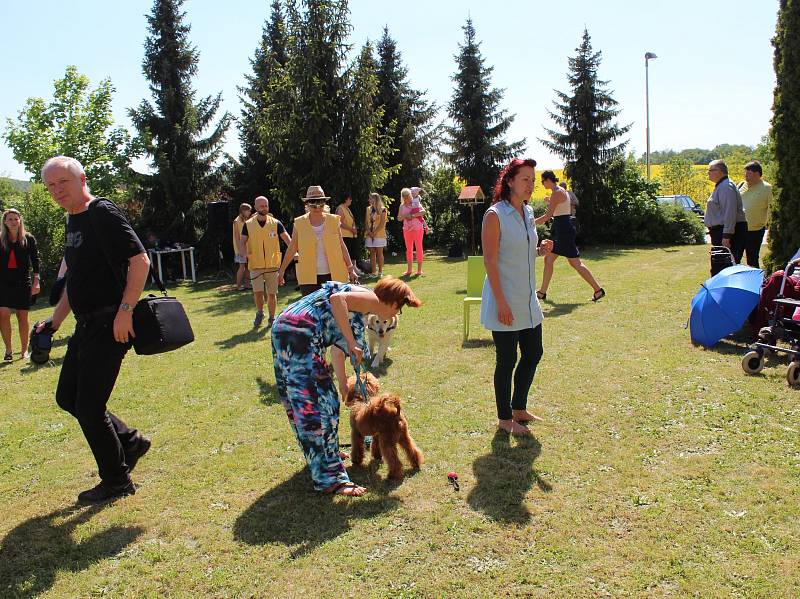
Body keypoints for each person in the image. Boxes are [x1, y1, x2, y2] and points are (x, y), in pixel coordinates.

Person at [35, 156, 151, 503]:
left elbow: (139, 260)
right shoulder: (72, 219)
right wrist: (55, 321)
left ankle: (117, 481)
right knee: (67, 398)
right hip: (86, 324)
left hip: (111, 323)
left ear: (81, 178)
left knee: (88, 404)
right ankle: (130, 442)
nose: (57, 191)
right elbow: (75, 281)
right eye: (50, 186)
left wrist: (125, 312)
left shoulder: (102, 212)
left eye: (62, 183)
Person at [272, 276, 422, 495]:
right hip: (299, 332)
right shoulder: (370, 298)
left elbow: (337, 349)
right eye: (399, 310)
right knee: (316, 405)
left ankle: (325, 456)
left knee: (317, 401)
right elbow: (336, 299)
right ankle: (329, 479)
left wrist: (343, 386)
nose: (396, 315)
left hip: (288, 328)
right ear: (393, 302)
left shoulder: (363, 308)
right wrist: (352, 342)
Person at [481, 158, 553, 436]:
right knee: (507, 359)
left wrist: (540, 250)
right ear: (509, 181)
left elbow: (523, 251)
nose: (530, 185)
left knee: (534, 352)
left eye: (533, 180)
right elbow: (490, 261)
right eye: (525, 179)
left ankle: (518, 408)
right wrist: (501, 302)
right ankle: (503, 418)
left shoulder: (527, 212)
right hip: (505, 300)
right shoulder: (494, 215)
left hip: (527, 300)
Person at [535, 171, 605, 302]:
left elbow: (548, 215)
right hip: (563, 229)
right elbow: (559, 207)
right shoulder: (560, 191)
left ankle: (598, 290)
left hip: (564, 231)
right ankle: (542, 292)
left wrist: (530, 222)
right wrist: (549, 201)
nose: (542, 183)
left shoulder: (557, 192)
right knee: (549, 259)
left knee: (575, 263)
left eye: (542, 181)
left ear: (548, 180)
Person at [277, 185, 358, 296]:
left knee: (336, 310)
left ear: (324, 202)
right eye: (313, 202)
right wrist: (281, 271)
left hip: (334, 273)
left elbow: (341, 245)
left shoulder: (334, 221)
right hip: (308, 276)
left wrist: (351, 268)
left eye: (320, 201)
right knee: (312, 311)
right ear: (307, 203)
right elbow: (292, 248)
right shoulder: (299, 223)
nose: (317, 206)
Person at [240, 196, 291, 328]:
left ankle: (272, 318)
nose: (264, 208)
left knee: (272, 294)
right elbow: (242, 241)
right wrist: (242, 253)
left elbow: (287, 239)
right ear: (255, 207)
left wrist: (294, 251)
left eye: (266, 205)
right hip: (255, 264)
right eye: (261, 206)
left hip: (272, 264)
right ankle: (260, 312)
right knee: (258, 293)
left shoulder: (275, 223)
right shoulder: (248, 224)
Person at [0, 209, 40, 360]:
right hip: (3, 283)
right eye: (10, 219)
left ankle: (24, 351)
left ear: (20, 220)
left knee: (22, 316)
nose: (13, 222)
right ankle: (8, 350)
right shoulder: (1, 239)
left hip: (22, 282)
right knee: (3, 314)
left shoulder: (28, 238)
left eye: (16, 219)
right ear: (5, 222)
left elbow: (35, 261)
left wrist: (37, 280)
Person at [704, 159, 747, 264]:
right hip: (721, 231)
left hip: (726, 232)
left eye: (711, 170)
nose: (708, 173)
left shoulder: (726, 187)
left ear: (720, 171)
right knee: (720, 264)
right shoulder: (722, 185)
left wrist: (726, 236)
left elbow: (730, 212)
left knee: (725, 264)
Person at [738, 160, 772, 269]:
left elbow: (771, 208)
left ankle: (754, 283)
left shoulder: (767, 188)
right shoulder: (741, 184)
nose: (746, 175)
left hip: (755, 230)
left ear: (757, 174)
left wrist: (769, 225)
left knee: (752, 259)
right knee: (735, 257)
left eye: (749, 173)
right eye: (745, 173)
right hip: (739, 228)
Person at [398, 188, 426, 276]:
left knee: (418, 248)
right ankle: (409, 270)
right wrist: (405, 216)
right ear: (402, 197)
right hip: (406, 229)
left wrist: (412, 215)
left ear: (410, 195)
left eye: (408, 196)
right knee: (409, 249)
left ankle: (419, 270)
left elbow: (423, 212)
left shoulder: (416, 204)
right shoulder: (401, 206)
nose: (407, 198)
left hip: (417, 228)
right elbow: (399, 218)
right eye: (405, 197)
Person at [335, 193, 362, 275]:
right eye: (350, 199)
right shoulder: (340, 208)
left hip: (351, 235)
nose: (351, 200)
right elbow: (339, 223)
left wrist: (354, 229)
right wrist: (351, 229)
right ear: (346, 199)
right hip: (345, 235)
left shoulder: (347, 208)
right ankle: (348, 271)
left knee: (353, 253)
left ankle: (354, 268)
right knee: (348, 253)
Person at [364, 192, 387, 278]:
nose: (369, 200)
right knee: (372, 252)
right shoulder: (368, 209)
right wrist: (369, 232)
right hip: (369, 234)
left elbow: (382, 223)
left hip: (379, 234)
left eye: (370, 198)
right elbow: (366, 222)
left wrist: (374, 232)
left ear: (375, 199)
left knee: (379, 252)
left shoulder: (383, 209)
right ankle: (373, 272)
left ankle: (380, 272)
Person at [232, 202, 252, 290]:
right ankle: (238, 286)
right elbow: (236, 237)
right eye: (248, 211)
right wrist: (240, 249)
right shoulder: (237, 221)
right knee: (242, 267)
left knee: (248, 266)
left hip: (247, 248)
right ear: (243, 211)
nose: (250, 212)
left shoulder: (245, 220)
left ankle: (247, 284)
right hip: (240, 249)